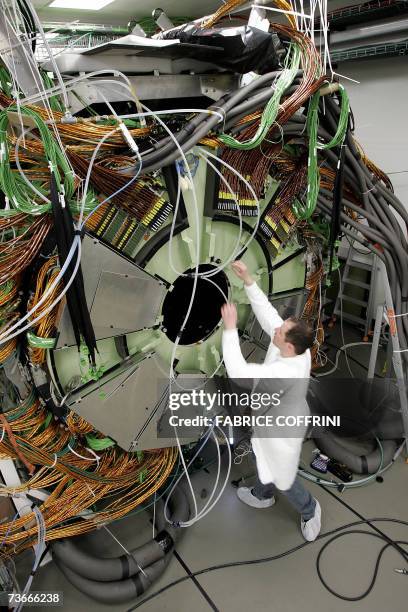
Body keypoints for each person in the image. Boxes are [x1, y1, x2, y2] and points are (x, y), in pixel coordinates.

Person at [220, 260, 321, 542]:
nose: (276, 329)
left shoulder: (285, 371)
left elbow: (238, 372)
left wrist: (230, 329)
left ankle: (310, 509)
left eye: (280, 331)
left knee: (281, 475)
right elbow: (268, 315)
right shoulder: (295, 347)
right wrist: (248, 280)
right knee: (259, 455)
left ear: (287, 345)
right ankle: (262, 495)